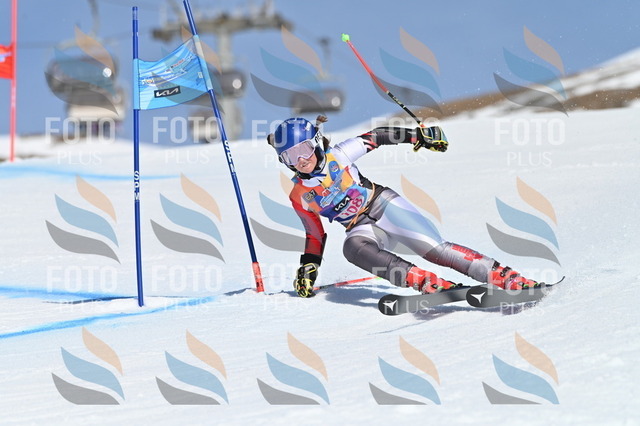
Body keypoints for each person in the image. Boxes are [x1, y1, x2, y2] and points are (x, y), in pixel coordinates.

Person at [267, 116, 539, 298]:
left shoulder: (340, 154)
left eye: (303, 149)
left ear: (316, 142)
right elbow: (315, 234)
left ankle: (508, 278)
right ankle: (428, 283)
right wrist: (309, 266)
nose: (300, 160)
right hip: (360, 228)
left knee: (435, 250)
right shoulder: (299, 195)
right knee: (351, 248)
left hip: (382, 204)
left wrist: (418, 137)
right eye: (290, 155)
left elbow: (378, 136)